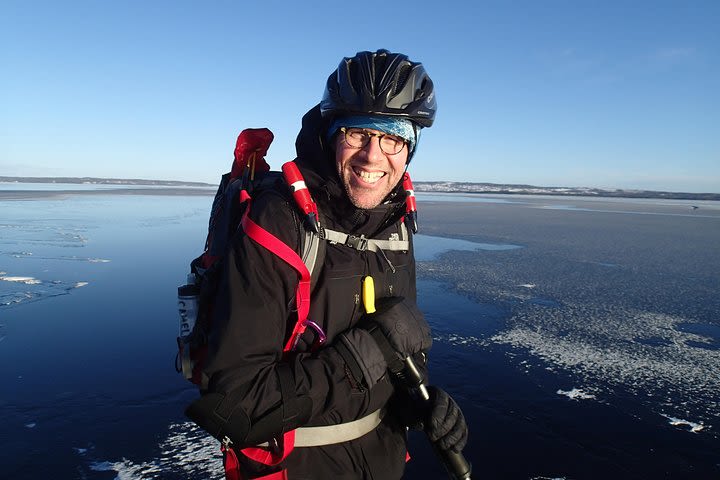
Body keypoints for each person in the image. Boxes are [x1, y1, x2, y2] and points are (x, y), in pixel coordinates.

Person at [187, 49, 468, 480]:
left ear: (410, 146)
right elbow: (235, 405)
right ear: (330, 133)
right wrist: (370, 352)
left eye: (392, 136)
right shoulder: (279, 222)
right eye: (357, 133)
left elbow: (393, 356)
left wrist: (419, 401)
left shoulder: (395, 225)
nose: (373, 157)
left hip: (382, 462)